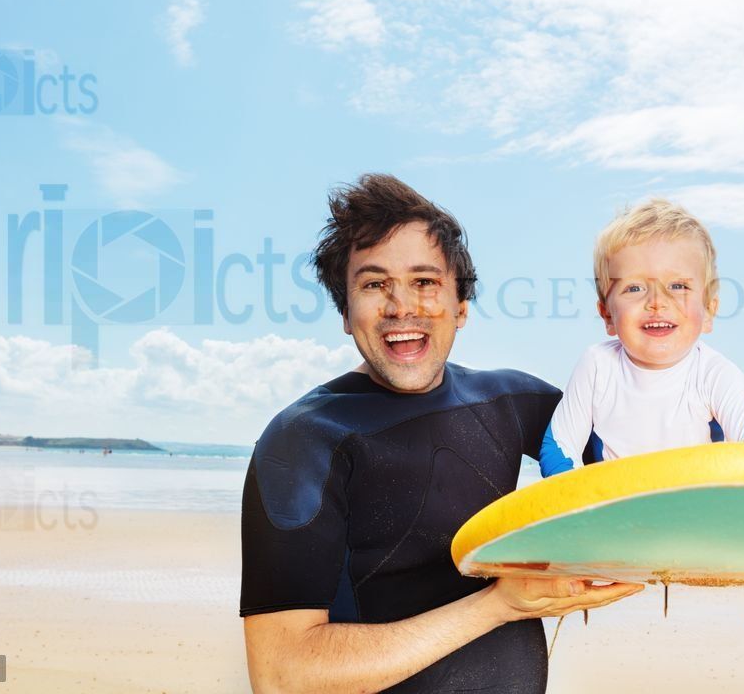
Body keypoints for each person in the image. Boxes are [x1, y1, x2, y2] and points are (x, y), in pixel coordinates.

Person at [240, 174, 641, 693]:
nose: (401, 305)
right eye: (373, 283)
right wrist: (498, 604)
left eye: (425, 281)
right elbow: (281, 675)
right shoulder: (303, 442)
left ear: (461, 306)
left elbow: (643, 466)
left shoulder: (511, 402)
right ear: (346, 312)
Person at [540, 197, 744, 477]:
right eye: (635, 288)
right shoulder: (597, 366)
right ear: (607, 315)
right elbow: (559, 447)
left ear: (709, 310)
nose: (657, 302)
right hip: (616, 511)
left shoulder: (714, 373)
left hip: (697, 508)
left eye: (678, 286)